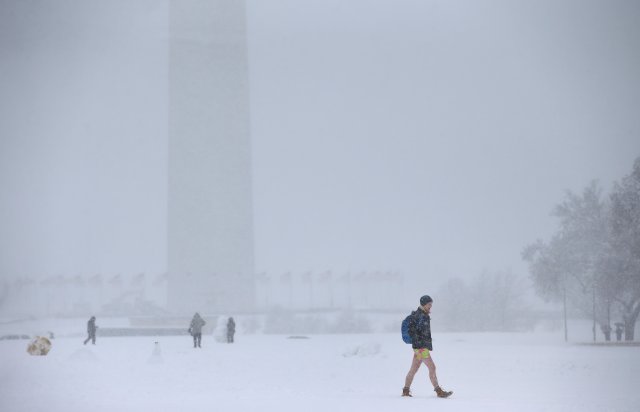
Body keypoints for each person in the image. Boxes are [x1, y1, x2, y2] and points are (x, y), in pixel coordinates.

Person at [402, 295, 452, 398]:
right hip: (421, 348)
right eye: (429, 304)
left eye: (431, 305)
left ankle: (406, 390)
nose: (430, 306)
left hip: (419, 347)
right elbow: (414, 332)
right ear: (424, 304)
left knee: (413, 369)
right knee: (432, 367)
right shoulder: (419, 316)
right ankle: (438, 391)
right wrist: (420, 343)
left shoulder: (421, 315)